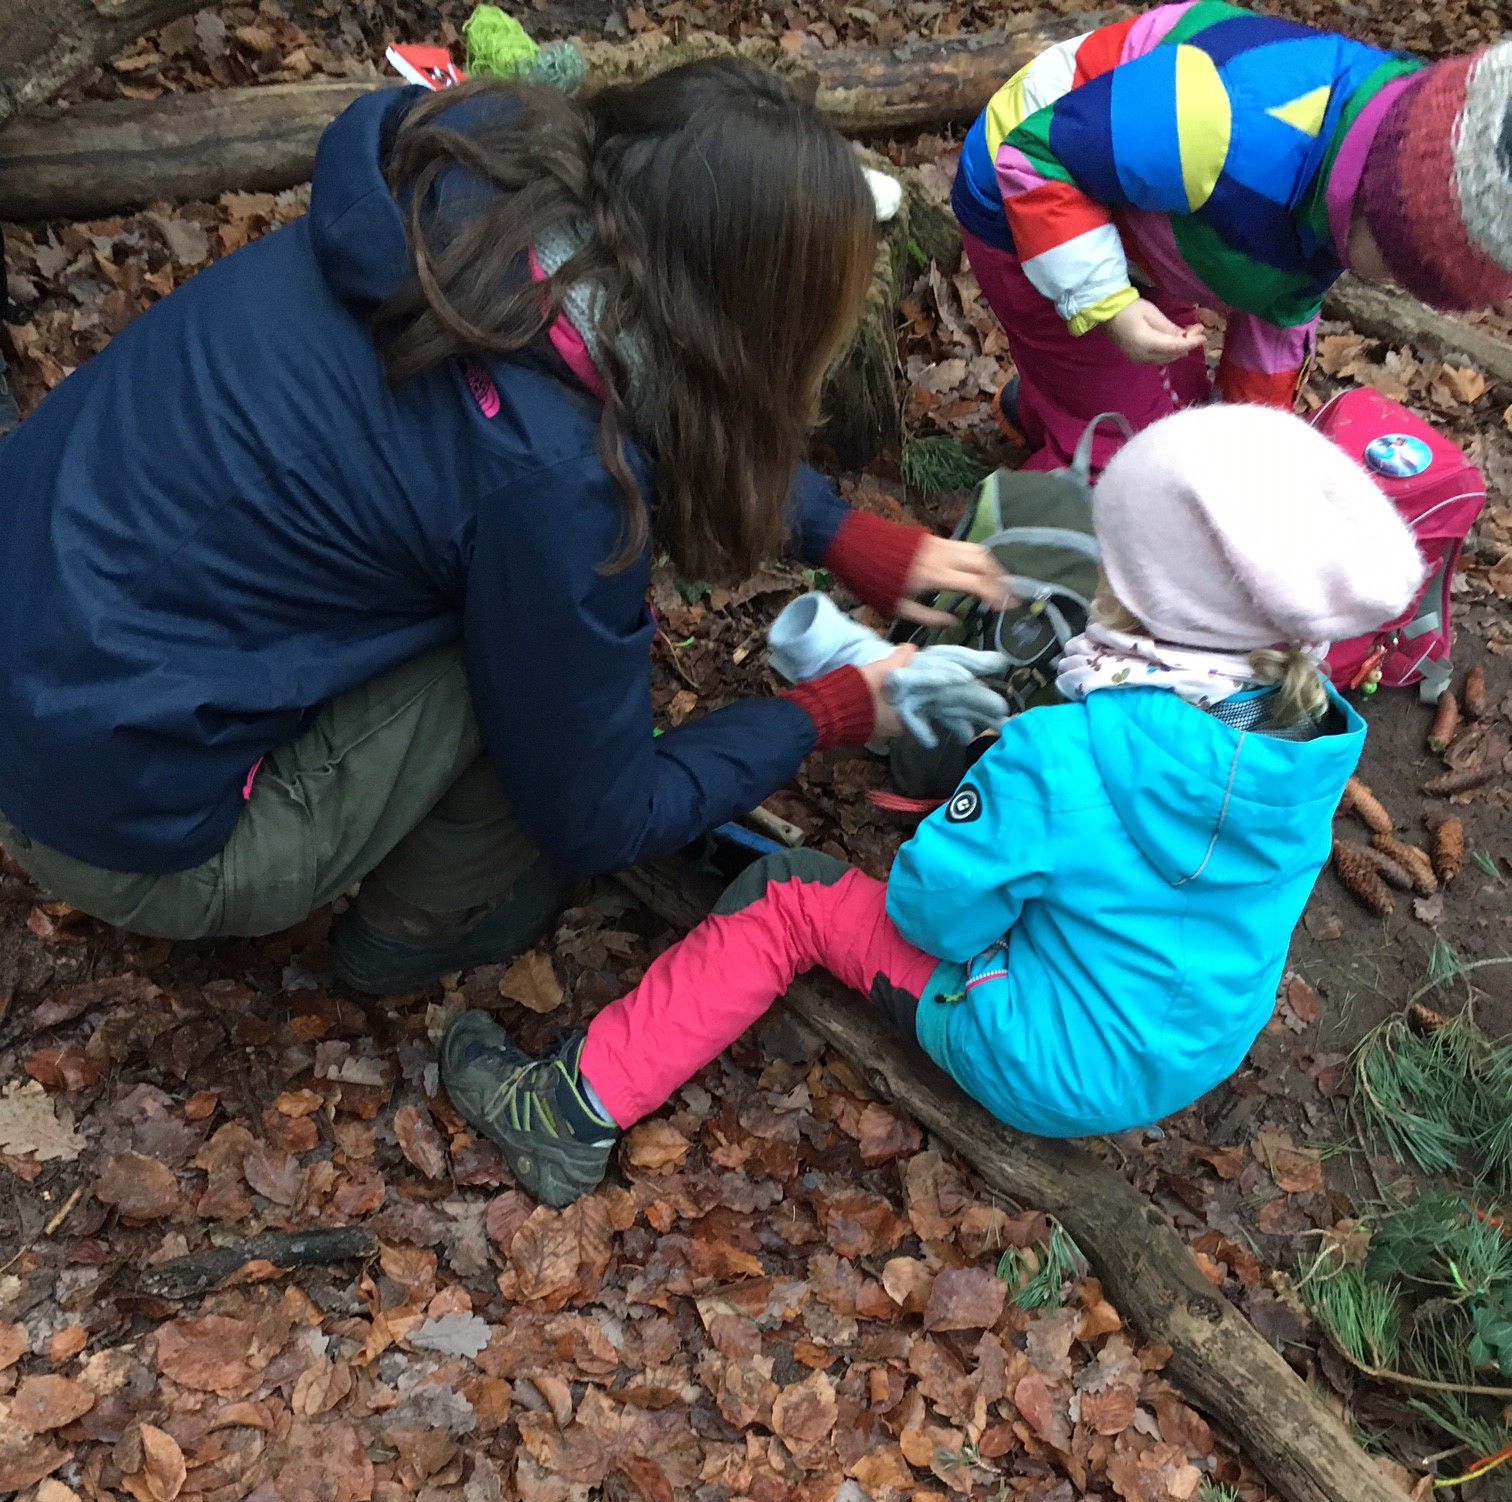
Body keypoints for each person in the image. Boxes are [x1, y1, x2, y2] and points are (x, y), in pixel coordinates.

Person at [0, 61, 1005, 995]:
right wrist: (830, 711)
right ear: (741, 327)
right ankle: (415, 932)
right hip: (113, 820)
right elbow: (602, 815)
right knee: (524, 686)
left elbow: (663, 415)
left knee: (505, 612)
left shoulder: (458, 190)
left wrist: (838, 533)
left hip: (51, 649)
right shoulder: (555, 481)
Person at [440, 404, 1426, 1207]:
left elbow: (928, 911)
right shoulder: (1310, 739)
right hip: (1187, 1039)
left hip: (1046, 1052)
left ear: (1147, 601)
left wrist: (974, 803)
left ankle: (569, 1110)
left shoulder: (1062, 759)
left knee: (787, 896)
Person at [949, 7, 1512, 473]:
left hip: (1144, 217)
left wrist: (1253, 445)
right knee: (1131, 461)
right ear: (1383, 205)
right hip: (1026, 195)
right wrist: (1107, 303)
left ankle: (1056, 397)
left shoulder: (1360, 156)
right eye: (1403, 268)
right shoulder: (1218, 117)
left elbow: (1281, 305)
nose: (1398, 285)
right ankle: (1022, 562)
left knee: (1188, 418)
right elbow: (1035, 158)